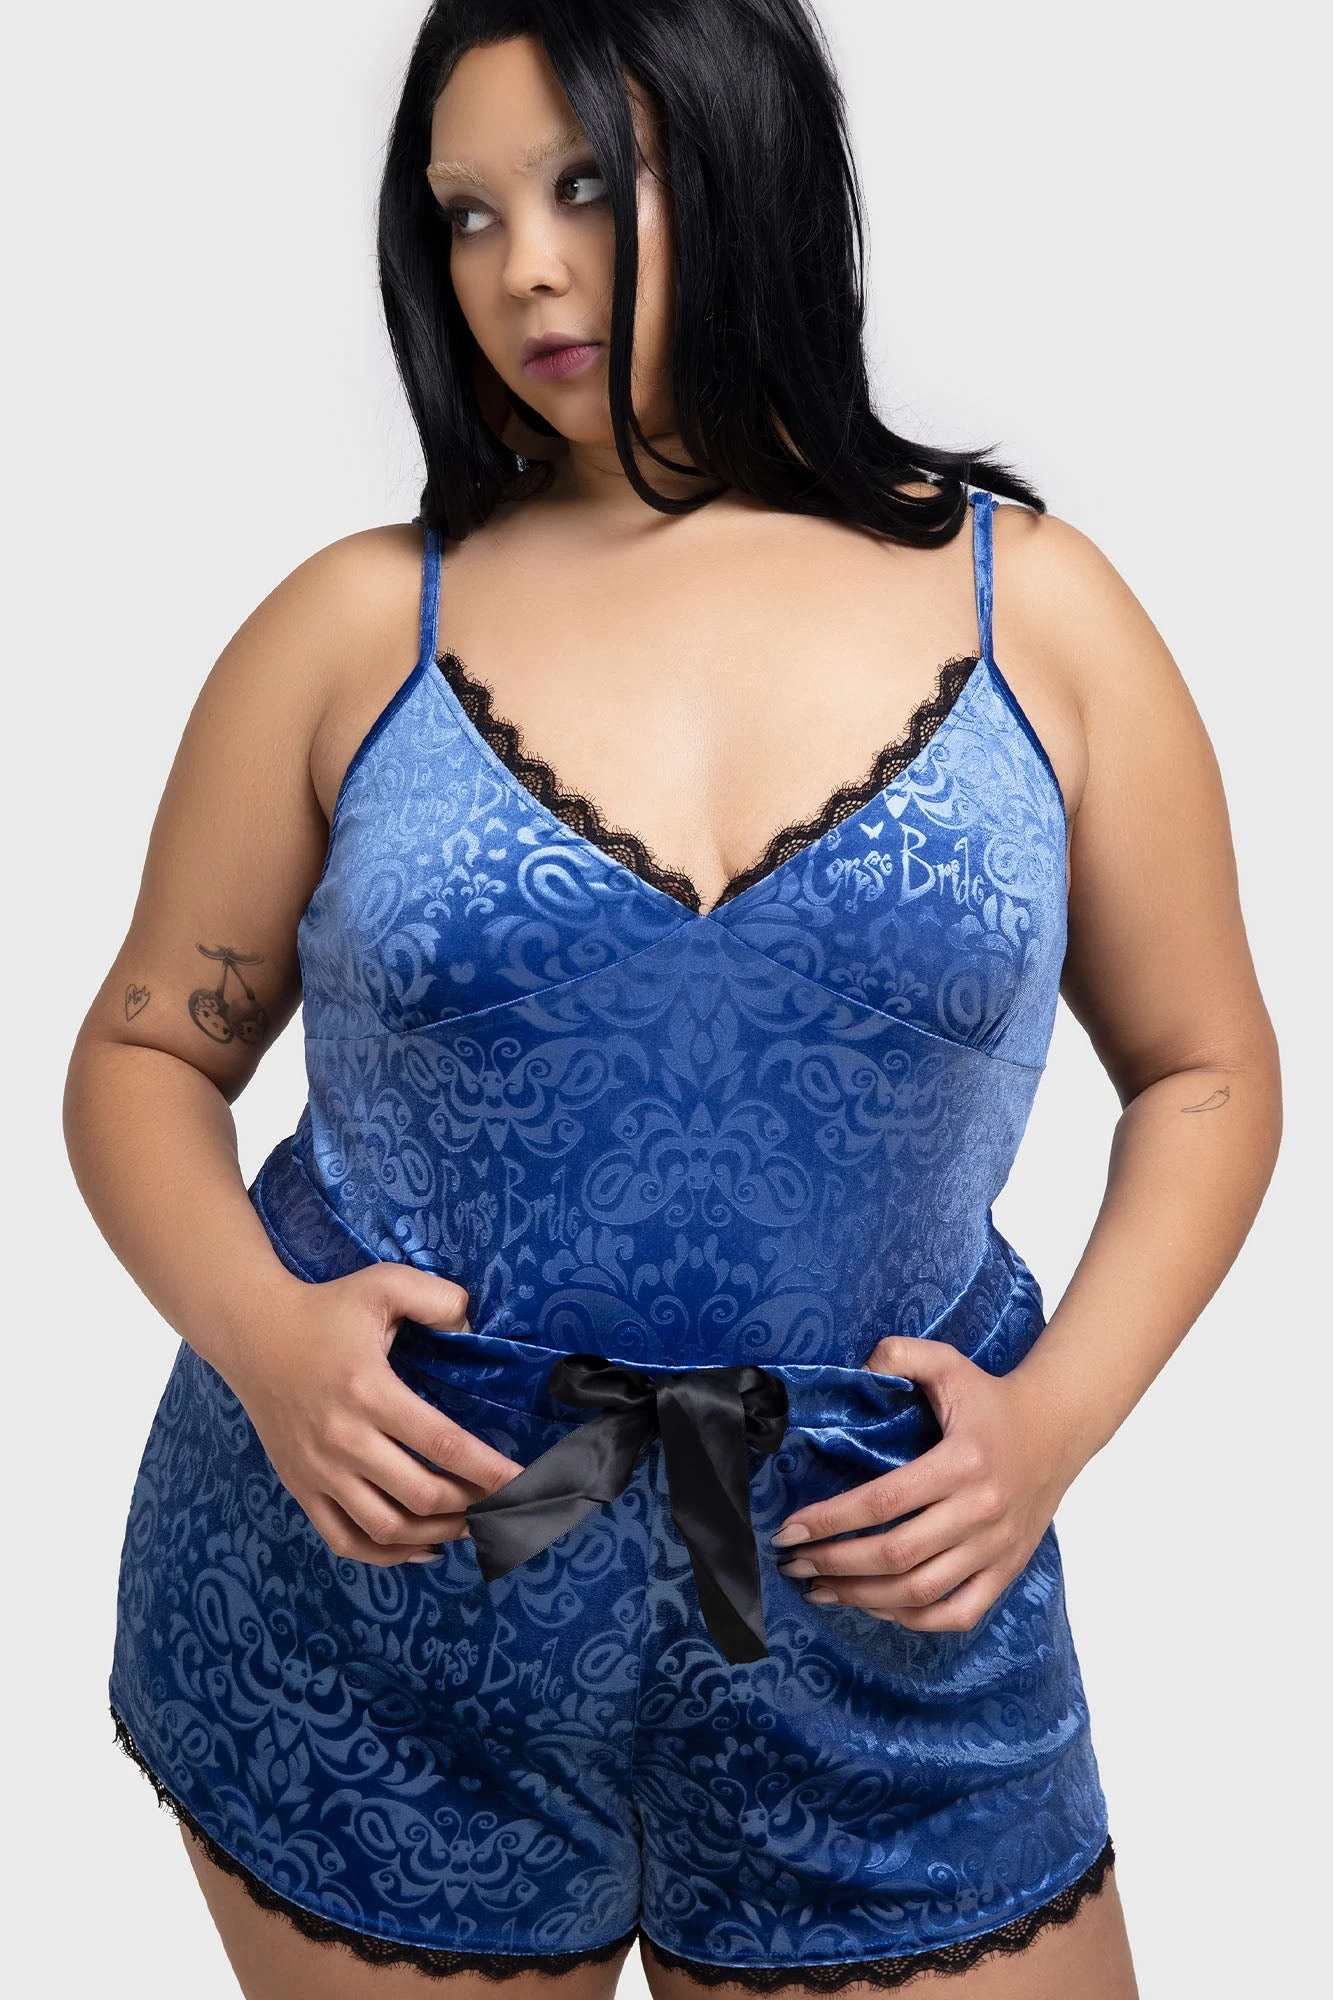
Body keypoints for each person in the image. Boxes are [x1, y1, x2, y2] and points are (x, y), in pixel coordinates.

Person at [63, 3, 1280, 1996]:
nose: (520, 270)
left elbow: (1207, 1066)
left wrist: (1055, 1422)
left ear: (747, 161)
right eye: (465, 212)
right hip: (380, 1587)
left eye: (584, 186)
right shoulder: (351, 628)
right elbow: (142, 1054)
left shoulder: (1040, 613)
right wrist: (269, 1345)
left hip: (883, 1591)